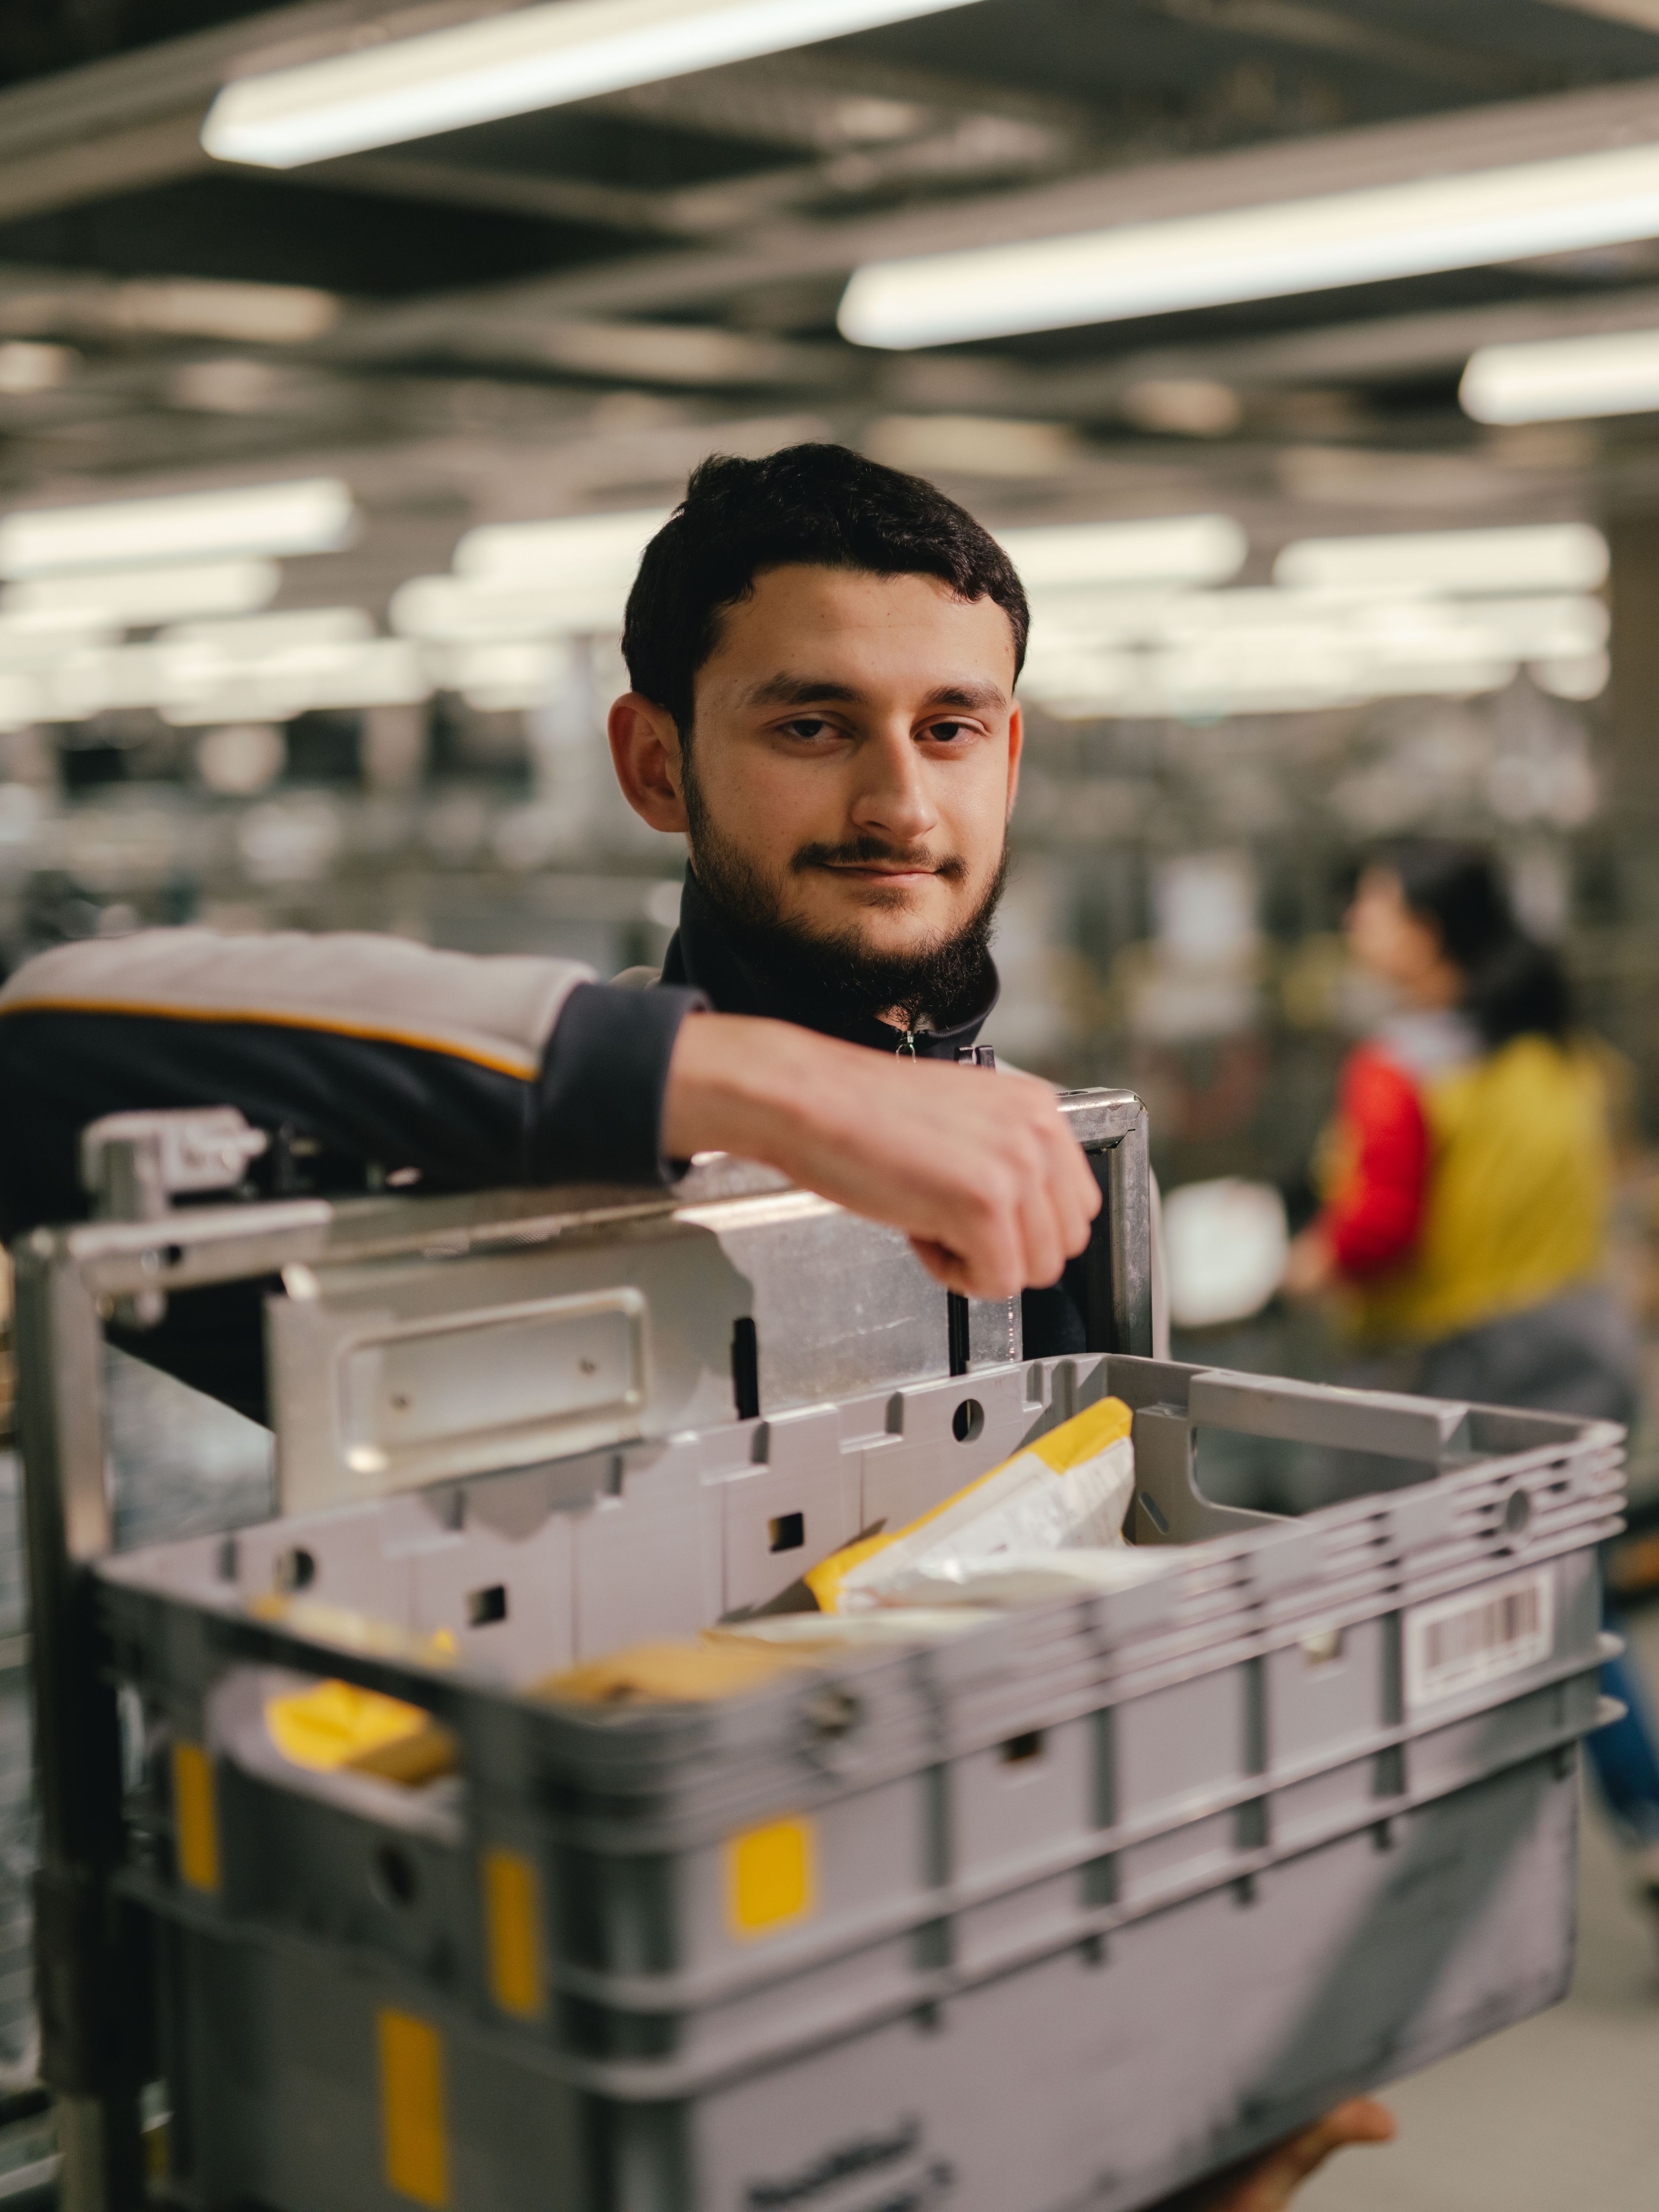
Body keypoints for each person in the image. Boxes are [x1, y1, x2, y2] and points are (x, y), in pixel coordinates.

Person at [0, 443, 1390, 2205]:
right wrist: (723, 1074)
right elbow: (40, 1061)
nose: (901, 797)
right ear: (656, 761)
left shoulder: (1056, 1178)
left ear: (1011, 750)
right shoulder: (475, 1185)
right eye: (813, 724)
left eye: (952, 726)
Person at [1284, 838, 1659, 1905]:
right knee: (1560, 1585)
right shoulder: (1563, 1050)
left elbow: (1380, 1232)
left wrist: (1310, 1261)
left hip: (1461, 1372)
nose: (1358, 921)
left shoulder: (1400, 1068)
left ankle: (1370, 1856)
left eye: (1374, 903)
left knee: (1353, 1590)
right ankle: (1644, 1817)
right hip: (1583, 1353)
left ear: (1427, 929)